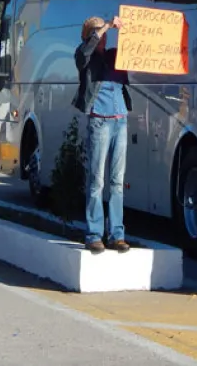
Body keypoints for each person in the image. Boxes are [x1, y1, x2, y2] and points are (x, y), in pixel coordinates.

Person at [73, 16, 132, 254]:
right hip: (100, 121)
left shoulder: (113, 56)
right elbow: (86, 51)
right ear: (89, 35)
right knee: (96, 180)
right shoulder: (84, 57)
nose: (103, 36)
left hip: (120, 121)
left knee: (117, 182)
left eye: (105, 32)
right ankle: (94, 235)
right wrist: (107, 24)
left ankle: (117, 235)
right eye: (98, 32)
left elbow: (136, 53)